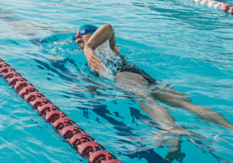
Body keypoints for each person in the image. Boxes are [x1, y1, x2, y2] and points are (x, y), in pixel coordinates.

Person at [74, 24, 233, 136]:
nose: (77, 37)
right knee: (187, 104)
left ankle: (170, 129)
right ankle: (229, 127)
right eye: (75, 36)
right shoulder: (94, 56)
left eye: (81, 32)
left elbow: (108, 27)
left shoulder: (104, 46)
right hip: (146, 78)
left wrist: (89, 47)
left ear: (93, 33)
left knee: (146, 100)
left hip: (126, 76)